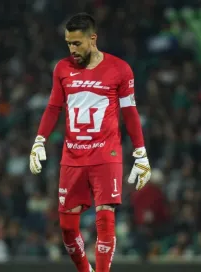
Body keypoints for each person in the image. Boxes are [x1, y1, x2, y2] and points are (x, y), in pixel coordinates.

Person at [28, 13, 152, 272]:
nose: (72, 50)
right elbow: (53, 107)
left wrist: (141, 154)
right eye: (68, 44)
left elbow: (130, 112)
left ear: (92, 39)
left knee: (105, 218)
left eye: (77, 43)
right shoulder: (62, 68)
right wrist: (39, 141)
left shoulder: (120, 69)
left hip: (106, 153)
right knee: (66, 227)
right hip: (72, 156)